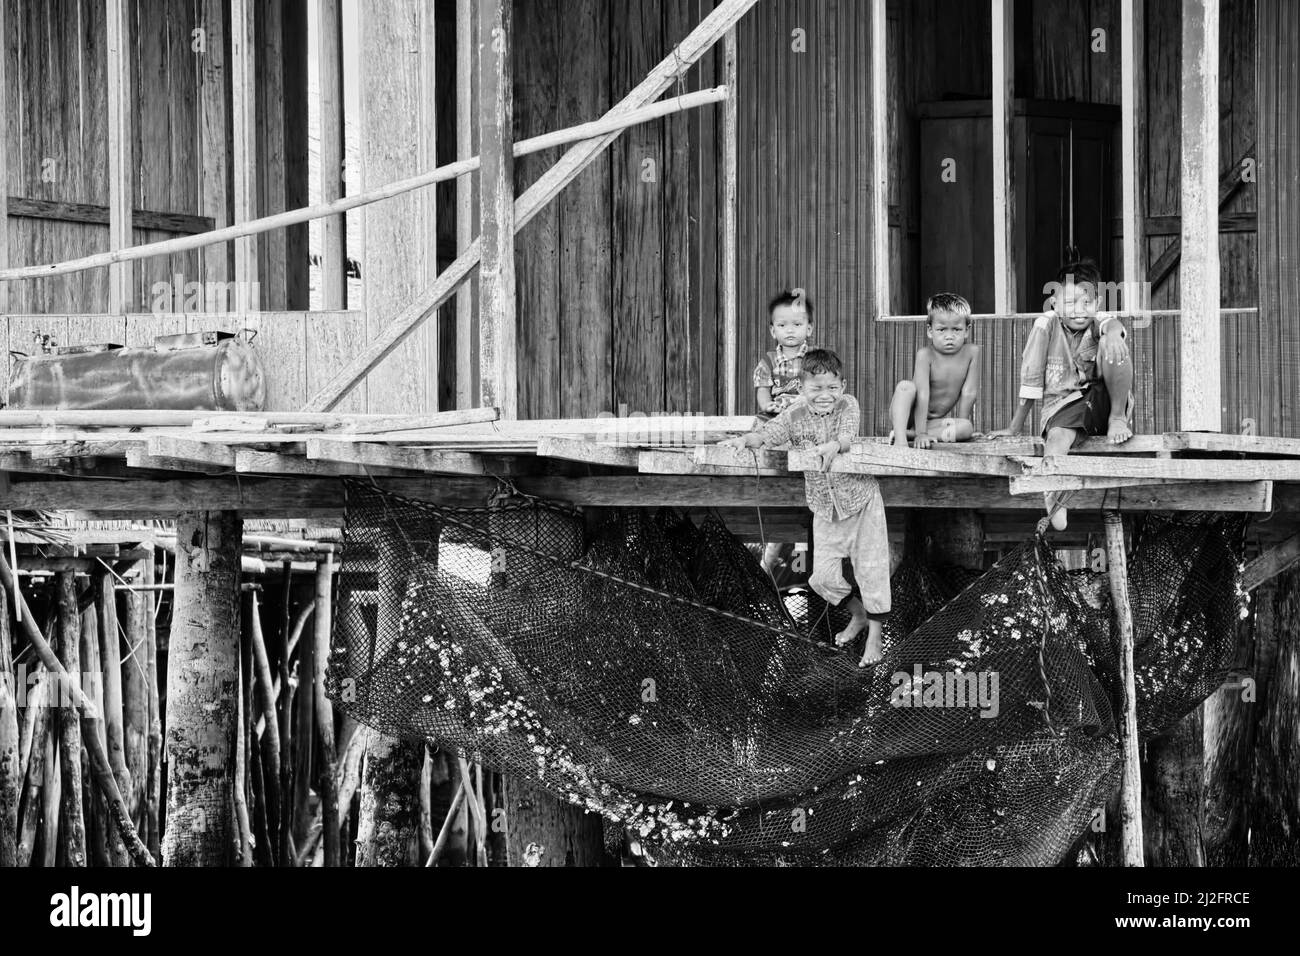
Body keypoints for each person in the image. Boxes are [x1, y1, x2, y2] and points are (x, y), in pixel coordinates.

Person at [721, 348, 890, 666]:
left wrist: (834, 445)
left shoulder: (847, 404)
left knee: (871, 570)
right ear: (801, 388)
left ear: (842, 385)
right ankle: (858, 614)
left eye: (832, 387)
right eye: (816, 388)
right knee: (822, 578)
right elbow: (769, 434)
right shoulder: (794, 414)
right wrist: (746, 440)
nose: (825, 395)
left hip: (862, 501)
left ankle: (875, 639)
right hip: (825, 507)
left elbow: (847, 435)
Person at [986, 256, 1134, 530]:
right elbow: (1031, 379)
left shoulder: (1100, 321)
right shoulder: (1046, 325)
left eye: (1087, 302)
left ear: (1098, 304)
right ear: (1054, 304)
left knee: (1115, 346)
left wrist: (1114, 332)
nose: (1079, 310)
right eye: (1069, 303)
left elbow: (1111, 324)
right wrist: (1014, 427)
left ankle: (1117, 419)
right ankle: (1056, 501)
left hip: (1104, 404)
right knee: (1055, 441)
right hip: (1063, 406)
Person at [888, 292, 981, 448]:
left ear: (967, 330)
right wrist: (921, 433)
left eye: (956, 330)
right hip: (906, 415)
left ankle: (909, 434)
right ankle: (900, 439)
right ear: (930, 331)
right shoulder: (926, 355)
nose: (949, 336)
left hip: (931, 423)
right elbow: (922, 395)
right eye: (942, 330)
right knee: (906, 387)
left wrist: (962, 425)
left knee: (966, 428)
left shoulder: (972, 353)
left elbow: (969, 392)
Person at [753, 288, 815, 418]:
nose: (790, 330)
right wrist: (767, 405)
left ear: (809, 329)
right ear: (773, 331)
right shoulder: (768, 362)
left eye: (797, 324)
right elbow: (763, 389)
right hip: (779, 415)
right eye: (782, 325)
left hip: (809, 413)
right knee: (760, 423)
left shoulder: (816, 357)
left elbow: (825, 384)